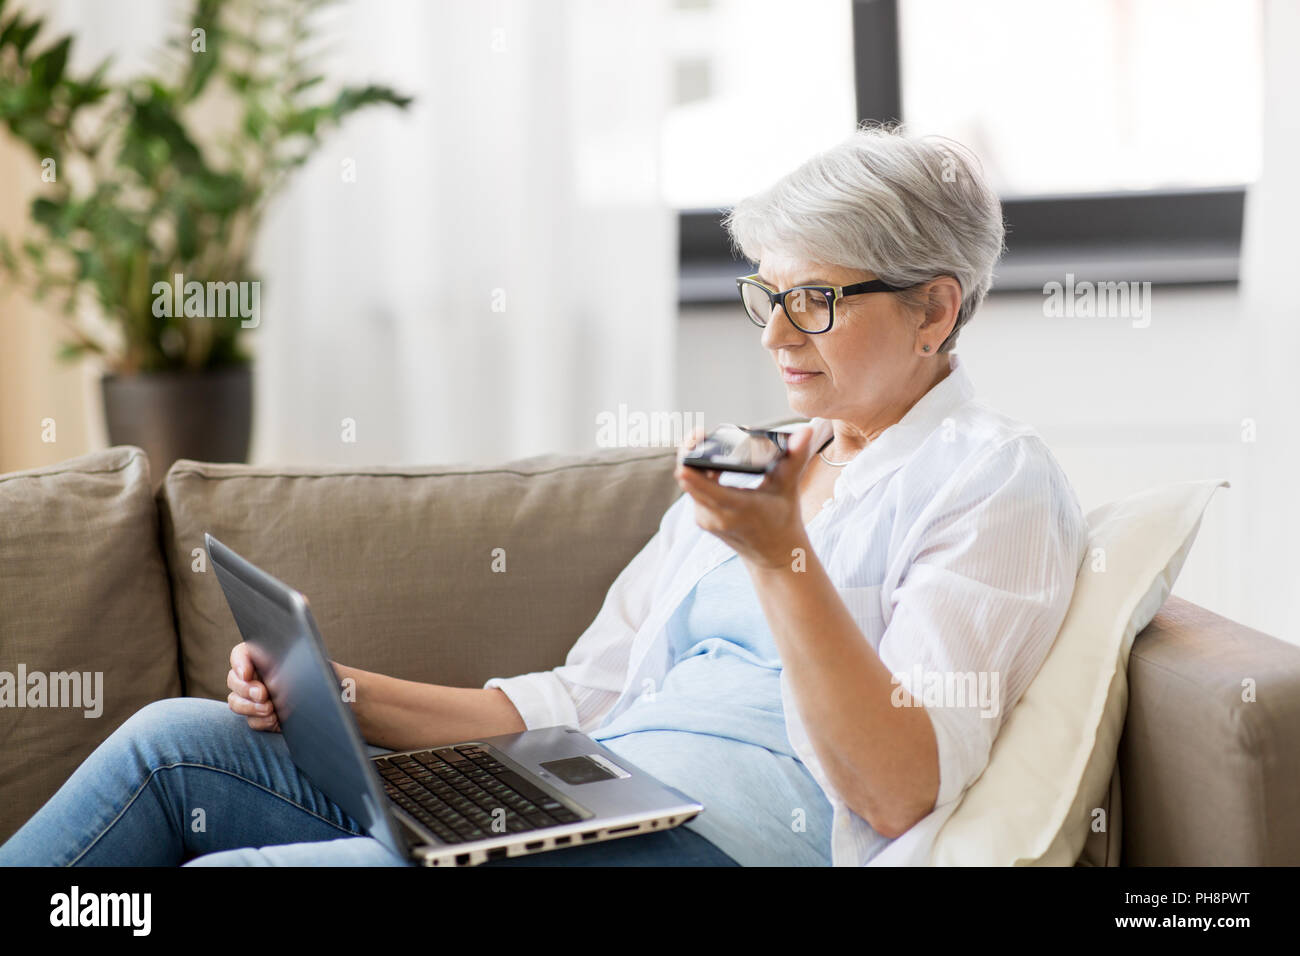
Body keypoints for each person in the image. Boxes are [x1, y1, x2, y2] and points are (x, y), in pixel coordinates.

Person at [0, 123, 1086, 867]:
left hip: (722, 840)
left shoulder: (990, 480)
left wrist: (780, 555)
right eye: (766, 292)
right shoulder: (761, 457)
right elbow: (579, 696)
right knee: (173, 739)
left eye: (812, 301)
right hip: (584, 790)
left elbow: (896, 786)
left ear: (935, 310)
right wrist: (338, 690)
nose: (770, 335)